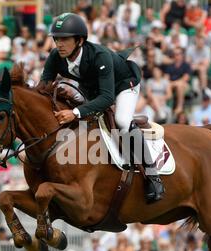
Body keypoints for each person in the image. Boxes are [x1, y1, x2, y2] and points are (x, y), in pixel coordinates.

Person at [36, 13, 164, 203]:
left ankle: (153, 177)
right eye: (56, 39)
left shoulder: (99, 55)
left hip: (123, 84)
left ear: (79, 40)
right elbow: (42, 89)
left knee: (121, 120)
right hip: (93, 86)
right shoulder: (56, 56)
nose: (59, 44)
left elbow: (107, 97)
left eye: (64, 39)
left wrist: (75, 113)